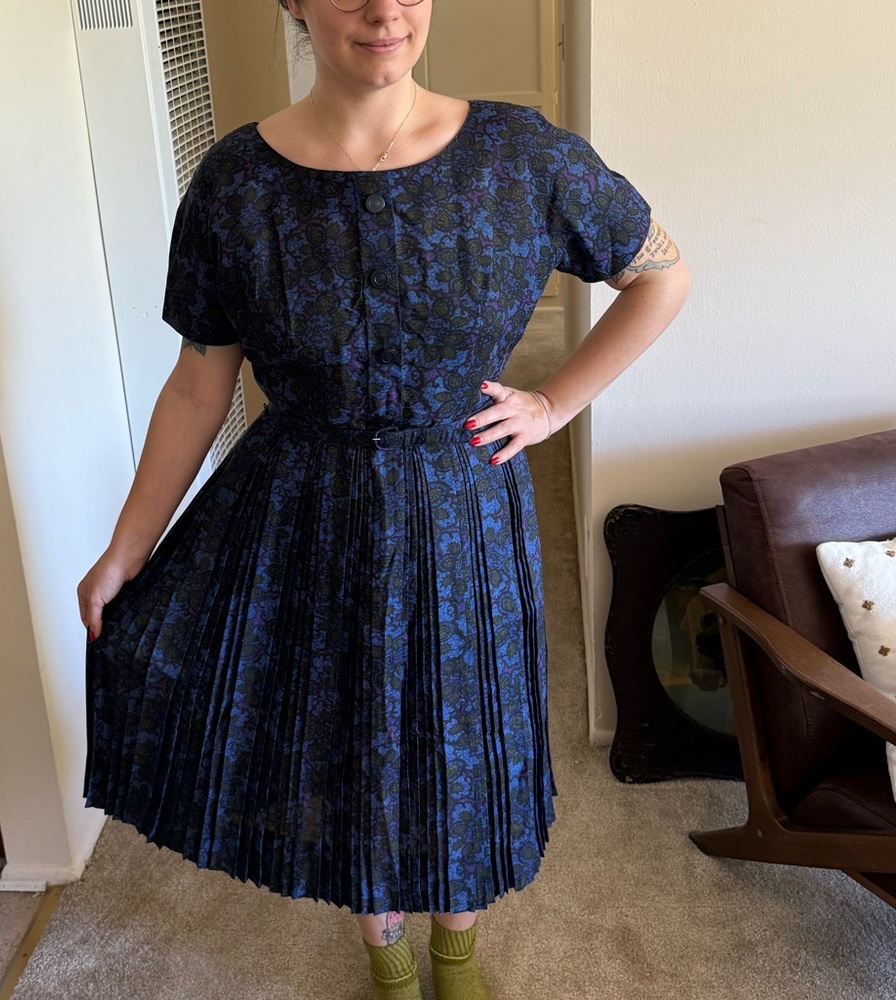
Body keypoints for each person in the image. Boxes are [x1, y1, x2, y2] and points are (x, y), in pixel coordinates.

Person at [77, 1, 690, 997]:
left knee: (461, 738)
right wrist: (127, 545)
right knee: (342, 737)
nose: (385, 9)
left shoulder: (520, 156)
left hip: (461, 510)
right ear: (296, 4)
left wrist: (550, 403)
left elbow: (660, 275)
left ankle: (456, 953)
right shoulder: (235, 183)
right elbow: (201, 379)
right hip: (302, 511)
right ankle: (387, 957)